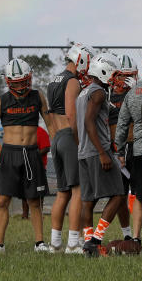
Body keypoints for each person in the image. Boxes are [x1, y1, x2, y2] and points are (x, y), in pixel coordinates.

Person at [0, 58, 51, 253]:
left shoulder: (38, 97)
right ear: (8, 82)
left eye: (24, 81)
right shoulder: (1, 101)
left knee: (34, 201)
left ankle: (40, 243)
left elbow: (50, 122)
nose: (21, 85)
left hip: (31, 153)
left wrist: (58, 143)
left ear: (29, 78)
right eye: (17, 82)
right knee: (3, 200)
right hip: (9, 153)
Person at [75, 52, 128, 257]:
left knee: (88, 201)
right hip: (98, 151)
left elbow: (75, 126)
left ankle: (88, 244)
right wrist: (101, 152)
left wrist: (85, 148)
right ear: (104, 71)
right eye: (115, 74)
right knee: (118, 194)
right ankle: (95, 241)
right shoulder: (97, 93)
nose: (117, 79)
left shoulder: (84, 92)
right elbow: (89, 122)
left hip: (84, 152)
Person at [45, 42, 95, 253]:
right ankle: (73, 242)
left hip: (56, 138)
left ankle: (55, 242)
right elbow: (71, 114)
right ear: (81, 59)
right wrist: (78, 139)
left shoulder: (53, 80)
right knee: (78, 191)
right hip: (69, 137)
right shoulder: (72, 81)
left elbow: (51, 114)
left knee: (62, 192)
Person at [114, 51, 142, 248]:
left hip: (138, 150)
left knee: (140, 196)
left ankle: (136, 237)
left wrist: (119, 151)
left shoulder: (131, 94)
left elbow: (122, 125)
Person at [106, 55, 138, 241]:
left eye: (129, 76)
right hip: (115, 149)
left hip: (136, 146)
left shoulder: (138, 91)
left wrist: (137, 93)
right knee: (119, 195)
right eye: (121, 76)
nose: (124, 81)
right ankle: (127, 235)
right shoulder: (107, 93)